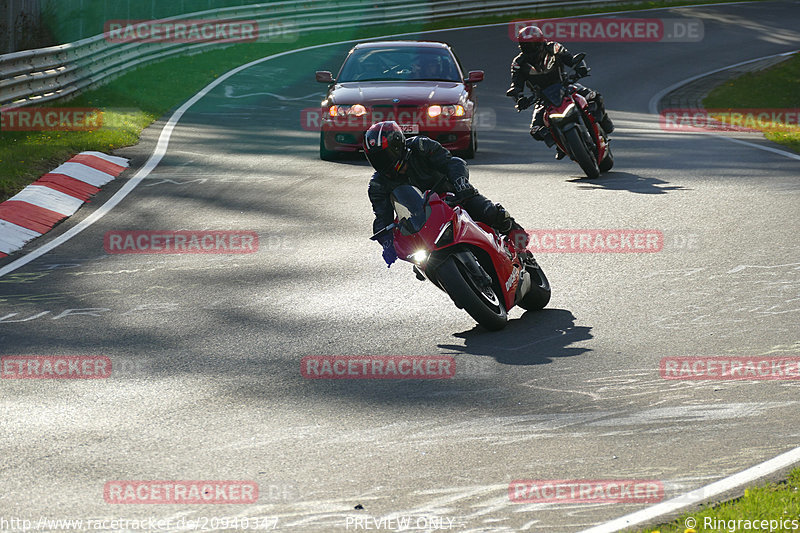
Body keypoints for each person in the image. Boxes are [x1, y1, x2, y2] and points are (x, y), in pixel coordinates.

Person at [365, 121, 528, 267]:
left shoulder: (420, 146)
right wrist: (387, 243)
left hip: (453, 196)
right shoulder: (377, 184)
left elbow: (453, 162)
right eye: (376, 158)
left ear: (397, 146)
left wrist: (460, 182)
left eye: (384, 155)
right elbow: (382, 218)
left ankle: (516, 235)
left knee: (488, 212)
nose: (382, 162)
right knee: (419, 263)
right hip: (422, 220)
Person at [506, 25, 614, 159]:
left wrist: (580, 69)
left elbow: (571, 59)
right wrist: (519, 99)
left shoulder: (554, 48)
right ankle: (561, 143)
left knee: (593, 96)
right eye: (526, 45)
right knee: (535, 130)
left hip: (565, 85)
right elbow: (515, 85)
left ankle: (605, 123)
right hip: (542, 98)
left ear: (540, 42)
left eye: (533, 44)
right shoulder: (518, 63)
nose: (530, 48)